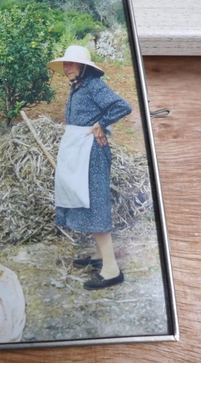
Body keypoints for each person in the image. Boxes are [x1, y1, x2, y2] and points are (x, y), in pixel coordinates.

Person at [48, 46, 132, 289]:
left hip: (92, 153)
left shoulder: (94, 85)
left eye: (73, 64)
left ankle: (111, 270)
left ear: (85, 67)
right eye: (66, 64)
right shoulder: (77, 87)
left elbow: (122, 106)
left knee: (94, 206)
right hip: (79, 149)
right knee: (86, 201)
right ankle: (98, 257)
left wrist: (101, 123)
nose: (68, 68)